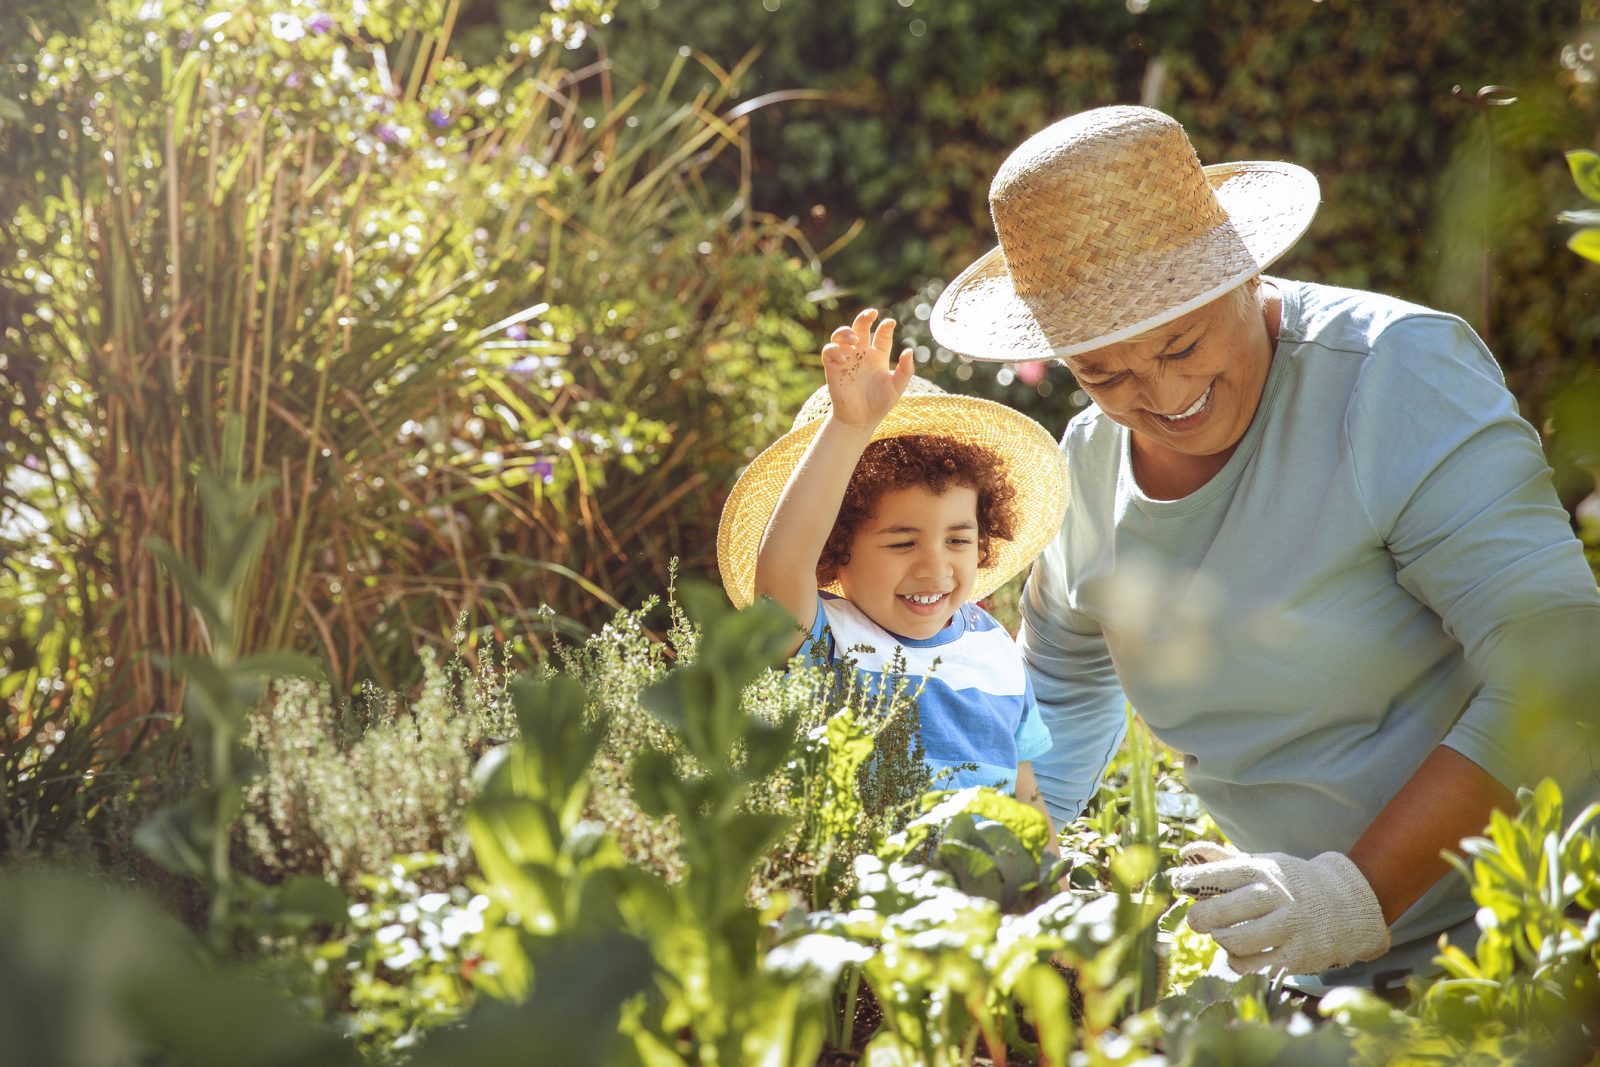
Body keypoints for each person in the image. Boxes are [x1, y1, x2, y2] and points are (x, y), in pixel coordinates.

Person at [928, 104, 1600, 992]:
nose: (1162, 394)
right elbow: (1063, 686)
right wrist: (1006, 870)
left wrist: (1349, 894)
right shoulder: (1087, 469)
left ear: (1244, 271)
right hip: (1316, 969)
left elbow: (1562, 666)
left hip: (1543, 935)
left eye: (1181, 343)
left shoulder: (1392, 375)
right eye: (1105, 373)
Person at [716, 309, 1070, 822]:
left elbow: (1023, 789)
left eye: (957, 539)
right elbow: (782, 566)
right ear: (834, 550)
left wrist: (1049, 888)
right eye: (902, 543)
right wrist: (849, 426)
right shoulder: (827, 638)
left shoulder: (993, 646)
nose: (935, 566)